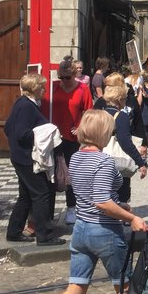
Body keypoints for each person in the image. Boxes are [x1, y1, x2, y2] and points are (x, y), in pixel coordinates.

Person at [17, 110, 148, 294]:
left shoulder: (77, 157)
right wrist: (131, 217)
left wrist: (119, 204)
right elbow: (102, 201)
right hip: (104, 232)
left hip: (81, 230)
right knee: (124, 288)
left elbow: (90, 195)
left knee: (74, 289)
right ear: (104, 133)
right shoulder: (104, 162)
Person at [4, 73, 64, 246]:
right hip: (27, 158)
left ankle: (14, 231)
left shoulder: (21, 103)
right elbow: (21, 133)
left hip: (20, 156)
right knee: (41, 194)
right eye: (43, 87)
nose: (45, 90)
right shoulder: (26, 106)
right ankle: (44, 235)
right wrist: (44, 136)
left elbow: (8, 128)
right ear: (36, 88)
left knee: (26, 196)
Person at [46, 57, 94, 225]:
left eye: (67, 77)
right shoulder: (52, 87)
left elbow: (89, 111)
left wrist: (81, 126)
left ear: (75, 74)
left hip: (71, 137)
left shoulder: (82, 89)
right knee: (50, 173)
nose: (64, 81)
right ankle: (48, 212)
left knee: (71, 173)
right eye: (61, 77)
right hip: (52, 136)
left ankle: (72, 208)